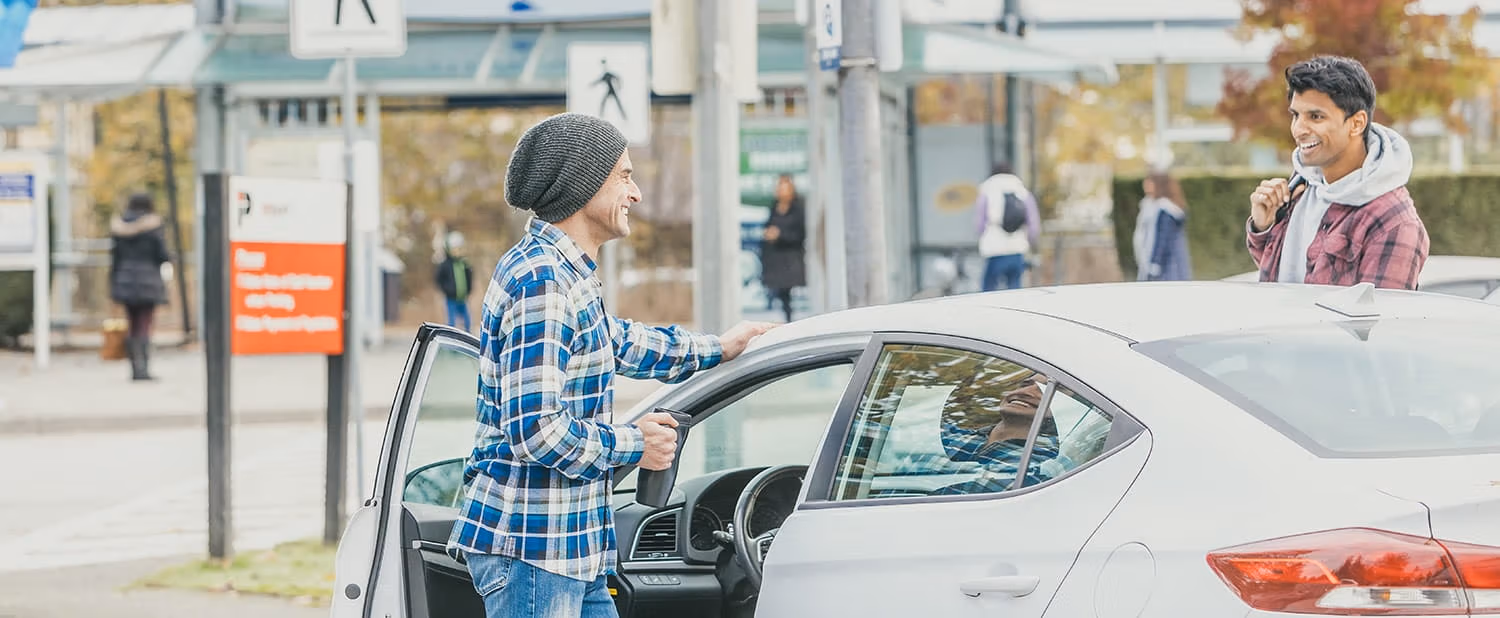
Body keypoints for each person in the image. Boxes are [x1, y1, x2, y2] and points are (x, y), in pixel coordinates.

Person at [447, 113, 777, 618]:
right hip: (534, 551)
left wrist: (717, 348)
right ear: (584, 184)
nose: (636, 193)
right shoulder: (543, 283)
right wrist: (636, 443)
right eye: (624, 175)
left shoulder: (564, 272)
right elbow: (537, 431)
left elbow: (613, 341)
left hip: (573, 549)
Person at [1247, 55, 1429, 289]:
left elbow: (1377, 321)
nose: (1298, 129)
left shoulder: (1393, 222)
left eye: (1315, 116)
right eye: (1295, 115)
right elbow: (1279, 275)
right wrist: (1264, 226)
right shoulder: (1301, 185)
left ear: (1356, 123)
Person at [108, 193, 170, 381]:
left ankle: (134, 368)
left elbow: (115, 258)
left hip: (125, 279)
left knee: (132, 324)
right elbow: (163, 254)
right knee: (144, 324)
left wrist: (113, 283)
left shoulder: (119, 227)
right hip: (148, 280)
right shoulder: (154, 227)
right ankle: (143, 368)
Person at [974, 163, 1041, 291]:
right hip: (1017, 248)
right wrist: (1030, 241)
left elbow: (979, 224)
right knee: (1015, 290)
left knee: (989, 290)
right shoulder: (1022, 191)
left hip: (994, 249)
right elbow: (1033, 224)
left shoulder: (987, 191)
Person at [760, 174, 807, 323]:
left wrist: (780, 235)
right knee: (778, 291)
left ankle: (791, 320)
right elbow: (768, 225)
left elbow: (800, 233)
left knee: (787, 291)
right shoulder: (774, 207)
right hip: (775, 258)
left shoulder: (798, 208)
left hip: (790, 258)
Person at [1132, 171, 1193, 281]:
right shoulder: (1151, 206)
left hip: (1166, 265)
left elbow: (1162, 238)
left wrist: (1155, 263)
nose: (1145, 186)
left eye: (1149, 183)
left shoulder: (1166, 210)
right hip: (1158, 263)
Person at [434, 230, 475, 332]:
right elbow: (438, 279)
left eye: (459, 249)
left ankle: (468, 336)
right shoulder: (445, 264)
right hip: (451, 298)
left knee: (467, 321)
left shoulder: (464, 264)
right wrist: (447, 289)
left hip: (462, 297)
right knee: (451, 321)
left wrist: (469, 289)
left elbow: (469, 277)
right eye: (455, 249)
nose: (458, 251)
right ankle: (451, 336)